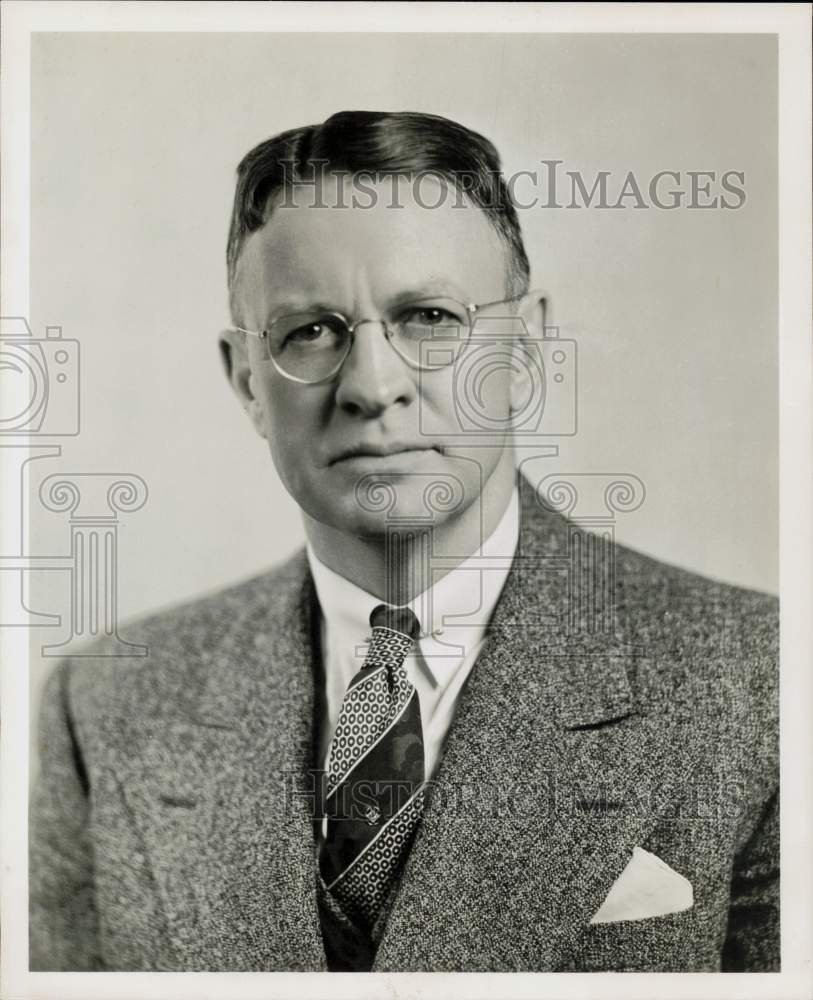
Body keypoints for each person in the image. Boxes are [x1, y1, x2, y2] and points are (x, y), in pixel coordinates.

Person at [29, 110, 778, 973]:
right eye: (309, 331)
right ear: (244, 380)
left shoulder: (758, 678)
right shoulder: (110, 703)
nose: (372, 385)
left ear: (526, 345)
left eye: (428, 316)